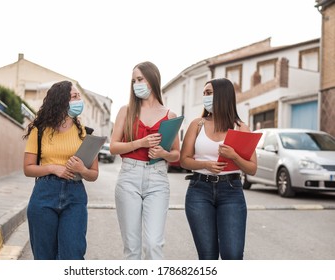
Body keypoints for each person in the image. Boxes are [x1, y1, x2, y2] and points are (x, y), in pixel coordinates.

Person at [180, 78, 257, 260]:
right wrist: (205, 164)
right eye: (204, 93)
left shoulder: (240, 128)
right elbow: (184, 160)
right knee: (207, 257)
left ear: (223, 96)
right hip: (199, 191)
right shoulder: (197, 124)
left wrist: (234, 156)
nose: (205, 97)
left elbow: (252, 169)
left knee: (233, 255)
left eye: (209, 93)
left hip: (231, 192)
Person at [110, 61, 180, 260]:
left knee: (153, 244)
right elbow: (114, 146)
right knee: (132, 247)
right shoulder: (126, 111)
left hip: (157, 178)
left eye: (140, 79)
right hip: (129, 176)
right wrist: (140, 142)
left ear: (152, 79)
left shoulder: (170, 115)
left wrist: (163, 155)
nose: (136, 84)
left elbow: (177, 154)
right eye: (133, 80)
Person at [22, 80, 98, 260]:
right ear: (61, 100)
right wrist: (52, 168)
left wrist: (82, 169)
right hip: (44, 195)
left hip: (75, 196)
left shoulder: (85, 133)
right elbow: (27, 168)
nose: (79, 100)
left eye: (79, 96)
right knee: (44, 257)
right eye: (74, 96)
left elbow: (94, 174)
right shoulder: (39, 131)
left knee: (73, 255)